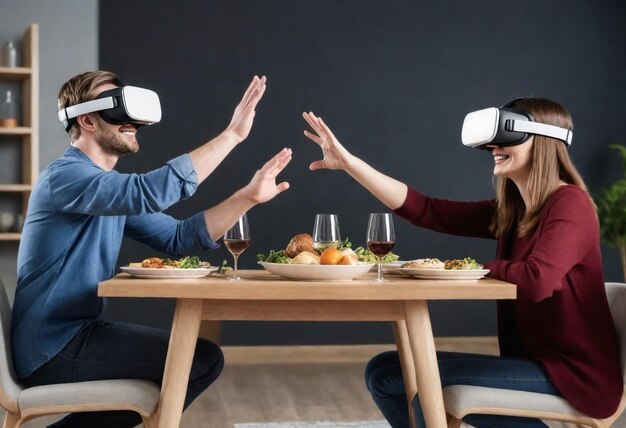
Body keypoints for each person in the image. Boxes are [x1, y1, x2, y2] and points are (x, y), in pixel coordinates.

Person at [302, 97, 622, 428]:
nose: (494, 147)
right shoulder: (513, 211)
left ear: (541, 141)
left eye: (506, 137)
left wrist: (484, 268)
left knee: (419, 384)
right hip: (535, 362)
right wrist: (350, 163)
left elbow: (537, 280)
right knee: (383, 370)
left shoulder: (570, 203)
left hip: (575, 374)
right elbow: (428, 210)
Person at [12, 71, 292, 428]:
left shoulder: (105, 190)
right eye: (119, 111)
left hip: (77, 333)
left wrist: (247, 197)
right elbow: (149, 191)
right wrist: (232, 135)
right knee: (196, 360)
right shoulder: (66, 177)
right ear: (86, 119)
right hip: (52, 346)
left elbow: (180, 238)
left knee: (196, 358)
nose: (133, 123)